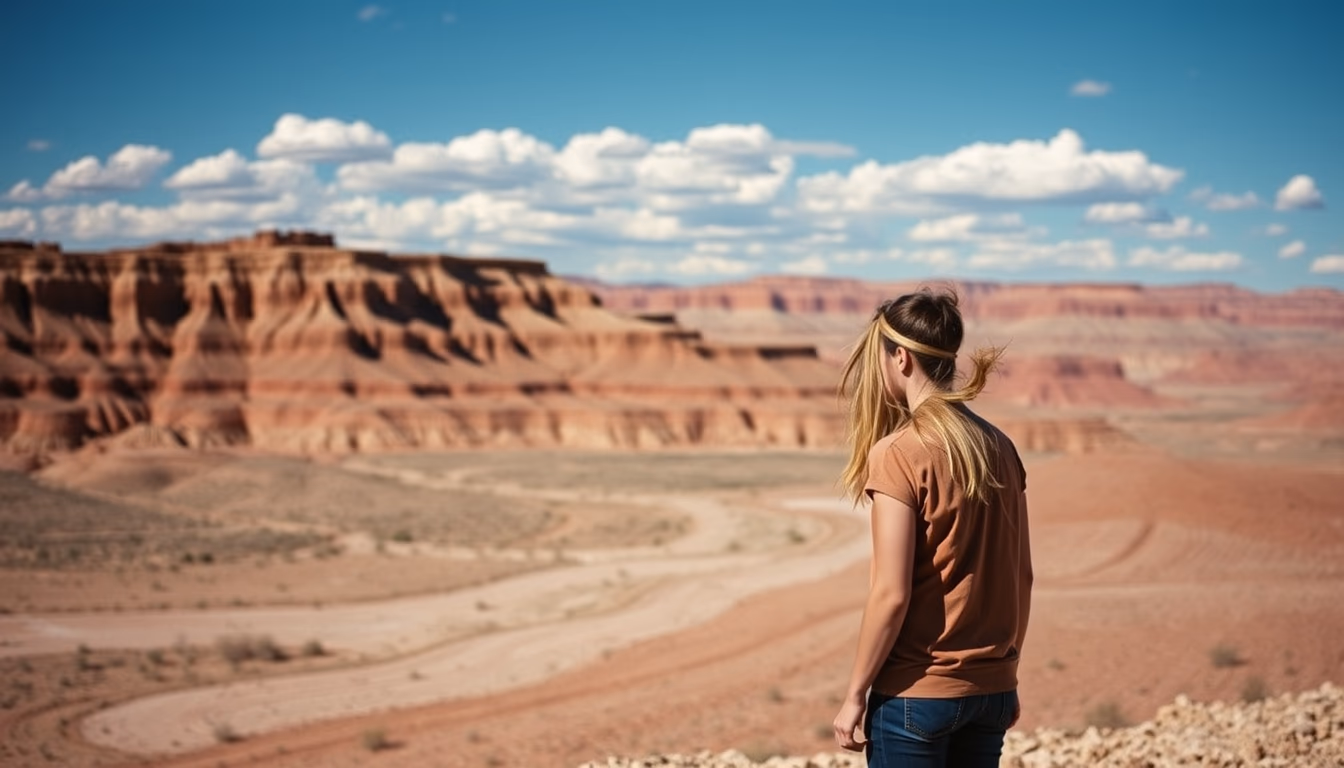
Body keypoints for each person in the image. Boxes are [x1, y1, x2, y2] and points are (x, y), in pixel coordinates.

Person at [831, 288, 1033, 767]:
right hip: (993, 690)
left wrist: (855, 693)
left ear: (900, 358)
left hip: (915, 696)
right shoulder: (999, 446)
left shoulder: (899, 453)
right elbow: (1022, 577)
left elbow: (891, 594)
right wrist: (1007, 671)